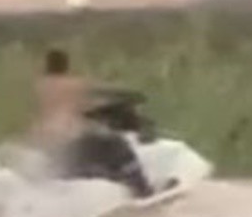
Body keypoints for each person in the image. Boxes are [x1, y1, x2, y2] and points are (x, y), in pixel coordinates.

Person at [31, 48, 157, 199]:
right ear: (66, 66)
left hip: (47, 141)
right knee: (117, 145)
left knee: (92, 148)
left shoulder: (40, 86)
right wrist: (134, 95)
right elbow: (105, 91)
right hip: (71, 137)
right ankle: (142, 189)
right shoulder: (74, 84)